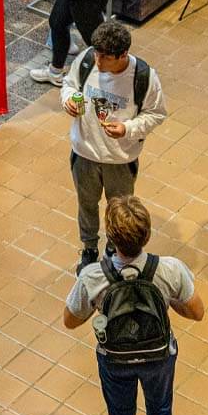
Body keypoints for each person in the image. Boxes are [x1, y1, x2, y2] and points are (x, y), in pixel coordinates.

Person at [64, 196, 204, 415]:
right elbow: (197, 312)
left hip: (115, 359)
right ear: (147, 235)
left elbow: (70, 320)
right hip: (158, 356)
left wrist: (97, 303)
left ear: (111, 239)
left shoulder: (92, 276)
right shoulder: (170, 269)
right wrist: (169, 301)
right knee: (159, 407)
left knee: (120, 413)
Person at [61, 21, 167, 273]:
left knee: (118, 210)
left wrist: (127, 129)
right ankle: (89, 248)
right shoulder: (87, 59)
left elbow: (156, 114)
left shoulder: (144, 76)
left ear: (123, 55)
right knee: (86, 204)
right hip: (84, 153)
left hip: (120, 160)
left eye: (105, 57)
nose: (98, 61)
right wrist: (69, 100)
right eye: (96, 54)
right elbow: (70, 84)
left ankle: (113, 249)